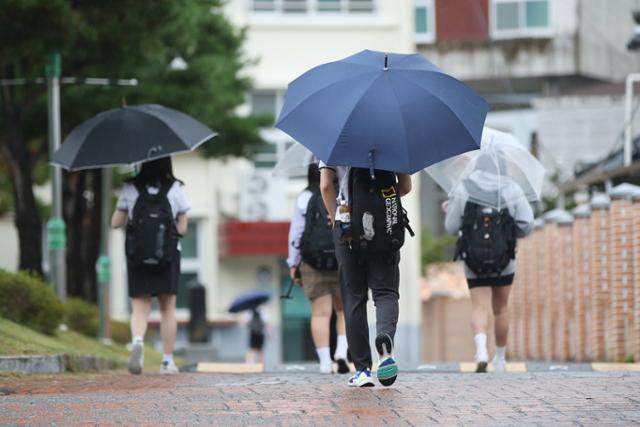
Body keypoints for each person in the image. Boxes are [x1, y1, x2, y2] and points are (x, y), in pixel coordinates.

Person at [319, 162, 412, 387]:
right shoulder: (393, 138)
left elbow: (325, 187)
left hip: (347, 227)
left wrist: (336, 220)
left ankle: (362, 370)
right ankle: (385, 338)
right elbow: (406, 187)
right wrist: (378, 201)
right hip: (385, 227)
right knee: (386, 292)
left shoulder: (335, 137)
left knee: (354, 298)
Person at [443, 157, 534, 373]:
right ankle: (500, 359)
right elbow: (527, 224)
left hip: (473, 259)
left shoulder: (463, 187)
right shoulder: (512, 187)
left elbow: (451, 227)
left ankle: (481, 352)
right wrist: (509, 231)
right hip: (505, 259)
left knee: (479, 307)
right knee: (501, 309)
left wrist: (450, 210)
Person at [111, 157, 190, 375]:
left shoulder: (130, 187)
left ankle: (137, 341)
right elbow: (182, 228)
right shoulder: (176, 188)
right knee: (167, 309)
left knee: (140, 307)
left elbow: (115, 223)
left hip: (138, 255)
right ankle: (167, 361)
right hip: (168, 255)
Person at [287, 164, 350, 374]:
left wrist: (293, 263)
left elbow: (296, 232)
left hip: (313, 261)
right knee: (344, 311)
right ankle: (341, 352)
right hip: (343, 259)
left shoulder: (304, 197)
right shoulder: (344, 189)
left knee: (320, 314)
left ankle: (324, 362)